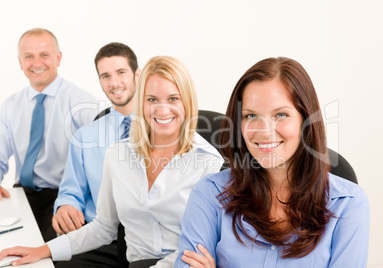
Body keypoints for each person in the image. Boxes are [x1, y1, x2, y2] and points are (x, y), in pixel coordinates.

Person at [0, 56, 223, 268]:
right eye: (152, 99)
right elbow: (104, 227)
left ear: (188, 101)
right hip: (136, 263)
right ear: (141, 102)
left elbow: (199, 245)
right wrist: (44, 250)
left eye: (173, 98)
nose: (162, 109)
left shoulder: (210, 164)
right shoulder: (118, 154)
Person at [175, 57, 370, 267]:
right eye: (251, 116)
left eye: (281, 114)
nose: (265, 131)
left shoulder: (348, 204)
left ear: (306, 120)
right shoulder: (209, 194)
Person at [0, 28, 98, 242]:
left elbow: (104, 150)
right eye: (29, 56)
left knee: (46, 252)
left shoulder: (81, 102)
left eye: (44, 55)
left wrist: (75, 199)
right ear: (20, 62)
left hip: (62, 197)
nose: (37, 63)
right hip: (20, 193)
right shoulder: (10, 106)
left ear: (58, 58)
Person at [51, 42, 141, 268]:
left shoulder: (163, 125)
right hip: (102, 240)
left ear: (137, 74)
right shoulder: (84, 137)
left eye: (121, 72)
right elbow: (71, 191)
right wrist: (65, 206)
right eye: (105, 76)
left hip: (149, 240)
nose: (114, 83)